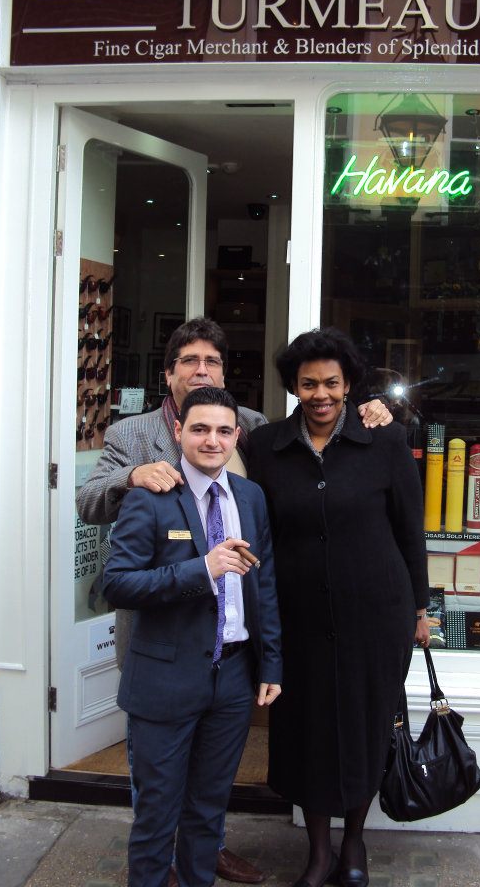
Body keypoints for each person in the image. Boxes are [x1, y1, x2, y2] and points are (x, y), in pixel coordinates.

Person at [76, 316, 391, 884]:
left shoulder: (250, 430)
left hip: (229, 660)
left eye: (213, 362)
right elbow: (93, 515)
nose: (202, 372)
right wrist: (132, 480)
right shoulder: (132, 438)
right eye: (190, 362)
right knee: (158, 799)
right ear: (169, 376)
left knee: (208, 797)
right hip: (164, 650)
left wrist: (369, 411)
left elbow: (315, 432)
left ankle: (205, 857)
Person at [247, 328, 430, 887]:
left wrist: (420, 609)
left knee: (365, 726)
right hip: (298, 617)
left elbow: (409, 530)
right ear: (293, 388)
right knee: (307, 731)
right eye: (308, 384)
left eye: (331, 382)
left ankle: (354, 843)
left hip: (376, 614)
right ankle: (318, 849)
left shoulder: (385, 442)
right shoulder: (265, 447)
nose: (320, 394)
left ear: (349, 385)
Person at [102, 386, 282, 887]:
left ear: (237, 436)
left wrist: (271, 664)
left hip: (231, 679)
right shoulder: (150, 497)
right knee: (157, 816)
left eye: (223, 431)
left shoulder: (250, 496)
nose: (211, 441)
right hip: (164, 680)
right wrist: (199, 570)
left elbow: (262, 584)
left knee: (208, 811)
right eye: (199, 429)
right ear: (178, 432)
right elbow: (115, 584)